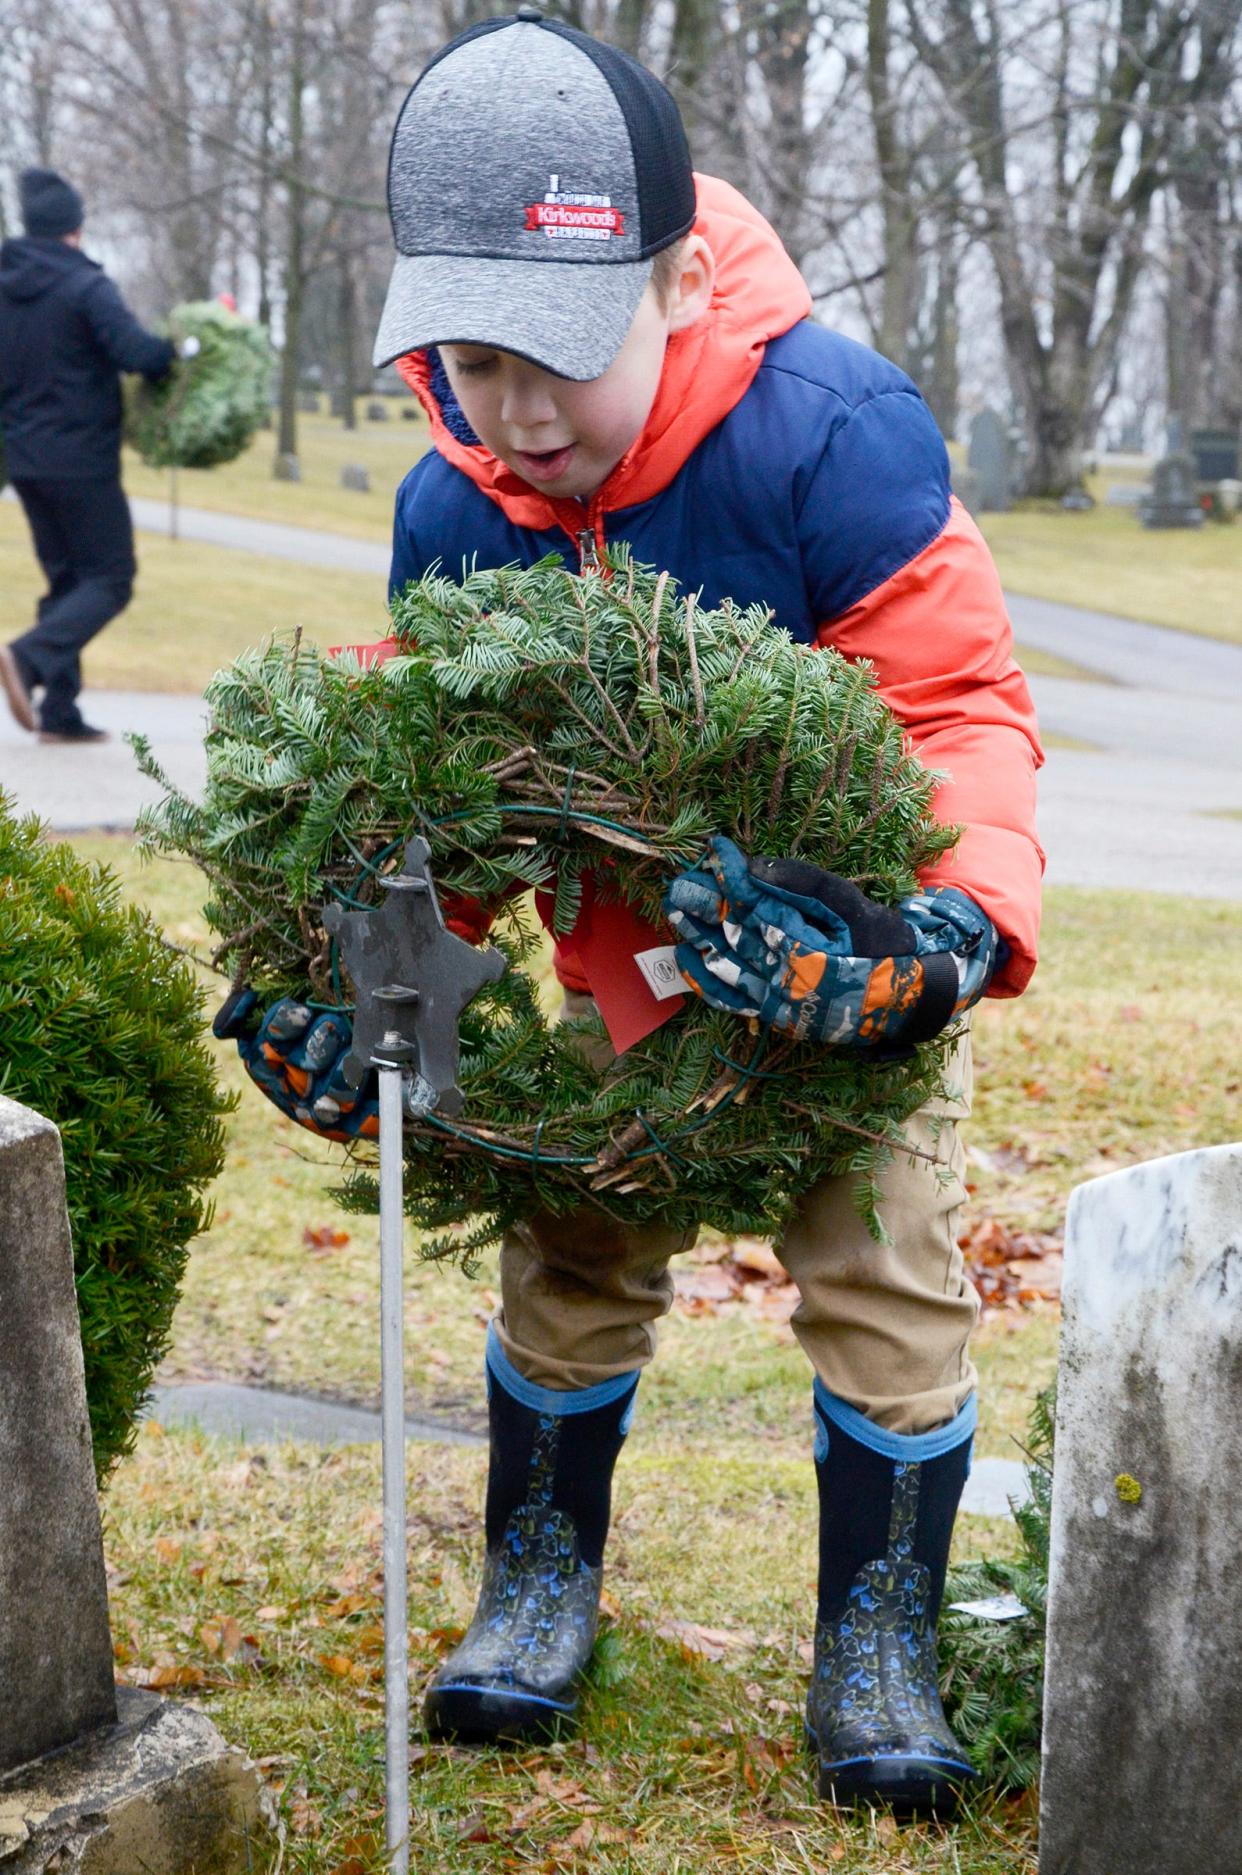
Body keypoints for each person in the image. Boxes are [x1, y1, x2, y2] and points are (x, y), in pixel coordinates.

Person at [218, 11, 1043, 1817]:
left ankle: (878, 1630)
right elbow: (454, 801)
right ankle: (536, 1581)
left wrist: (941, 930)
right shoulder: (459, 509)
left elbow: (956, 706)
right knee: (569, 1255)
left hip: (840, 967)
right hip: (620, 977)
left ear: (674, 279)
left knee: (881, 1265)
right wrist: (386, 1012)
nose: (517, 408)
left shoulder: (831, 434)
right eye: (473, 355)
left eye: (560, 356)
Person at [0, 168, 175, 742]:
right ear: (73, 229)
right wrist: (175, 350)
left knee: (68, 581)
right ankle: (25, 661)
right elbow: (137, 354)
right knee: (111, 577)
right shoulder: (85, 286)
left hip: (25, 461)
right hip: (82, 461)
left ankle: (59, 713)